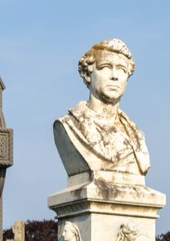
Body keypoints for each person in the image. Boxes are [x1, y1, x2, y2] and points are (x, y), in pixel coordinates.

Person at [54, 39, 150, 177]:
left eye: (122, 70)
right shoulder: (70, 125)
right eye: (105, 67)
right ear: (87, 74)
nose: (114, 76)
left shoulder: (137, 136)